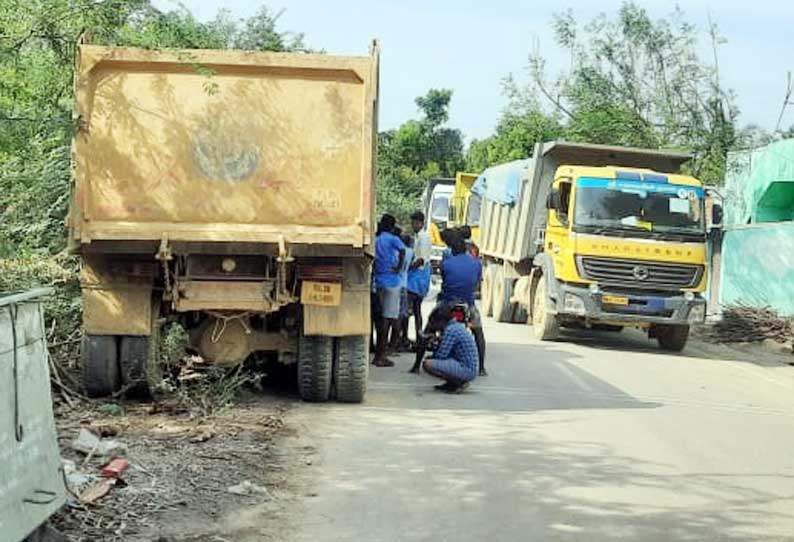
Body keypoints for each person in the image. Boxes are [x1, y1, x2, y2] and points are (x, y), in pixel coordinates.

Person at [438, 229, 488, 376]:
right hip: (468, 304)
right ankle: (482, 367)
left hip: (448, 303)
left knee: (431, 327)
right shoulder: (476, 264)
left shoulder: (446, 263)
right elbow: (477, 283)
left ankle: (417, 364)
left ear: (452, 250)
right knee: (478, 332)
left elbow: (445, 281)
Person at [422, 303, 479, 393]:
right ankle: (453, 382)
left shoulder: (450, 330)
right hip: (467, 366)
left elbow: (441, 355)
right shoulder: (455, 327)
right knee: (432, 361)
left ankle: (457, 383)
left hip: (466, 369)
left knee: (427, 364)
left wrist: (433, 347)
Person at [373, 214, 405, 367]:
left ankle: (379, 353)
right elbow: (403, 251)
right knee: (389, 318)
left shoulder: (377, 239)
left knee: (380, 319)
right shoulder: (393, 239)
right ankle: (382, 355)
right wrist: (399, 267)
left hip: (379, 281)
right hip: (392, 281)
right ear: (392, 226)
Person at [391, 233, 414, 352]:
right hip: (404, 284)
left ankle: (394, 342)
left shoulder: (397, 251)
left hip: (396, 283)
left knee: (394, 315)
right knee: (402, 315)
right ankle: (398, 341)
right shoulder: (411, 252)